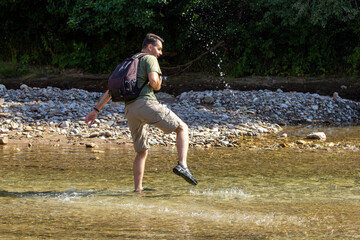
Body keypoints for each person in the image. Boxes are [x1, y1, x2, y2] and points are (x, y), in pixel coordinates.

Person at [85, 33, 197, 192]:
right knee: (182, 128)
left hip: (130, 110)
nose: (160, 53)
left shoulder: (130, 62)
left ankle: (138, 189)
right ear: (150, 47)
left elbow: (111, 91)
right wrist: (158, 83)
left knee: (141, 152)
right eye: (158, 49)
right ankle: (183, 165)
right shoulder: (150, 59)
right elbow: (153, 82)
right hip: (146, 104)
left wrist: (95, 111)